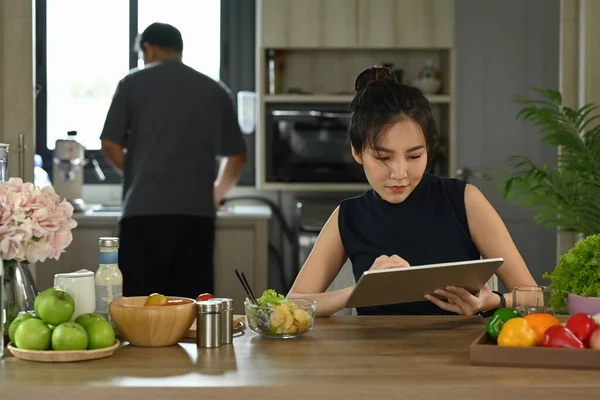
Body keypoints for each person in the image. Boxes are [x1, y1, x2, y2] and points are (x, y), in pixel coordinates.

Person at [287, 66, 537, 317]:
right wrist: (360, 291)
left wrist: (494, 302)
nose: (399, 173)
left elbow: (534, 295)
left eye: (414, 155)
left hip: (458, 353)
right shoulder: (349, 215)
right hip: (374, 355)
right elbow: (292, 305)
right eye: (383, 157)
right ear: (356, 151)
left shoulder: (464, 200)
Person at [100, 22, 246, 299]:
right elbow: (237, 157)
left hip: (142, 216)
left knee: (138, 306)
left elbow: (109, 144)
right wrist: (214, 195)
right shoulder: (215, 90)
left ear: (149, 49)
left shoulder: (131, 83)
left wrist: (135, 174)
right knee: (191, 306)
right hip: (196, 218)